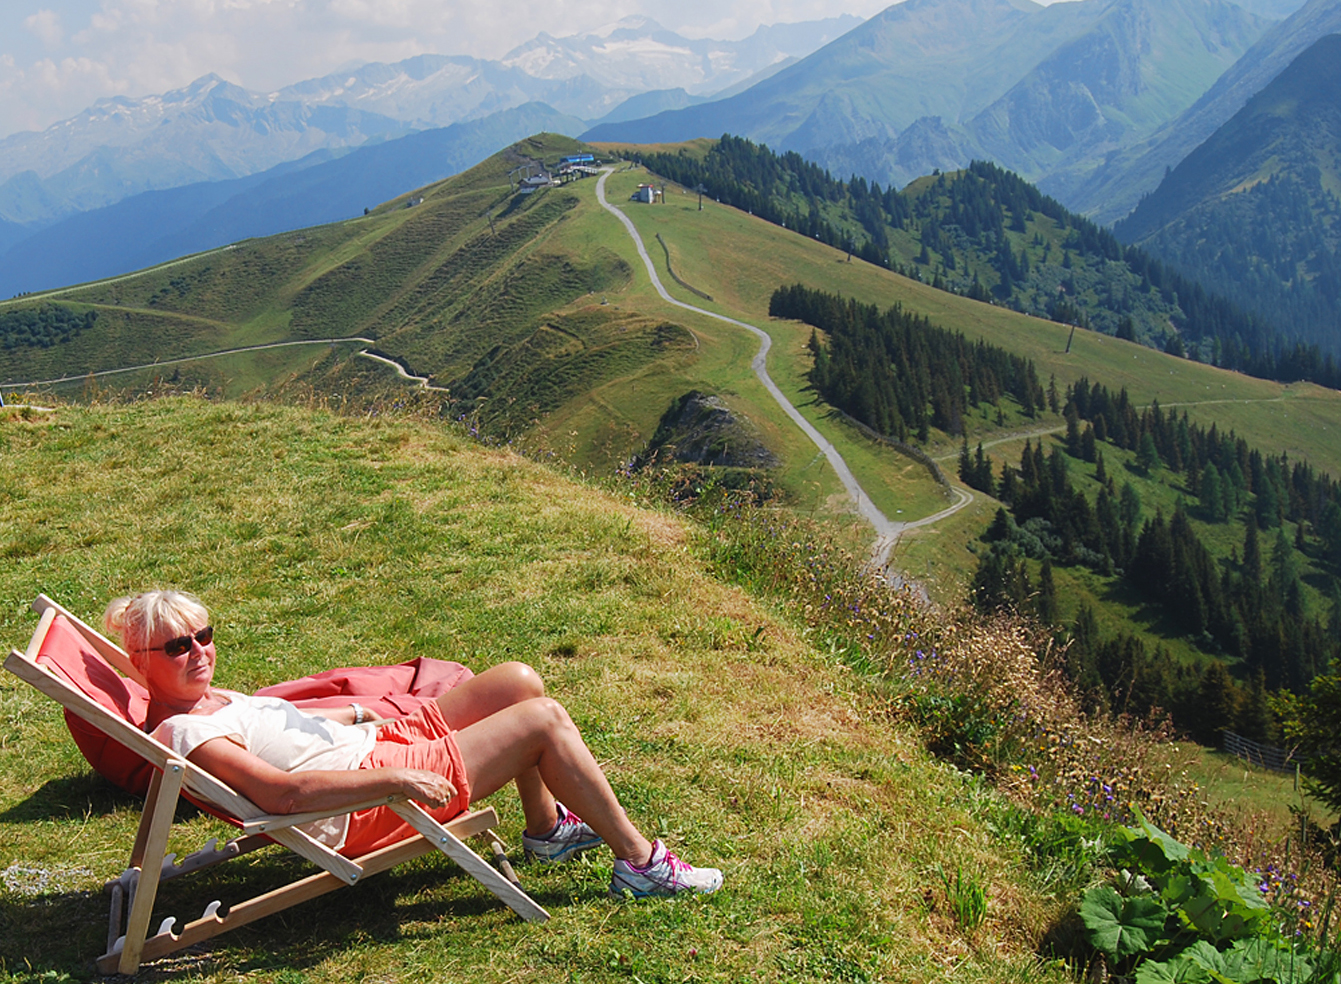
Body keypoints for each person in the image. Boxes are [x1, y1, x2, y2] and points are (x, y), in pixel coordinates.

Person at [105, 589, 722, 898]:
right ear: (140, 661)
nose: (200, 652)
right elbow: (284, 795)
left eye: (204, 635)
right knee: (542, 721)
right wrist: (396, 780)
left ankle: (547, 832)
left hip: (372, 743)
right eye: (178, 646)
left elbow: (276, 736)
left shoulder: (206, 700)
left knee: (517, 681)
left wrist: (357, 711)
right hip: (360, 803)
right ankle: (642, 865)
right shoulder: (187, 731)